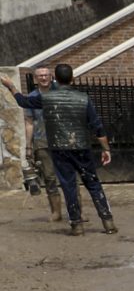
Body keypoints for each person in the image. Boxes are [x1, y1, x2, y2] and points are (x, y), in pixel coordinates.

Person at [3, 62, 116, 235]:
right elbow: (97, 126)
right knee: (93, 183)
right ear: (72, 78)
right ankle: (108, 222)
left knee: (68, 185)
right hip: (81, 147)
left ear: (55, 78)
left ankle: (77, 225)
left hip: (59, 148)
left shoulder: (46, 98)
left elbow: (23, 101)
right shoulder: (83, 98)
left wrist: (11, 86)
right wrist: (106, 149)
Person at [20, 66, 64, 224]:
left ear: (51, 76)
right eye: (40, 76)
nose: (43, 78)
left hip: (63, 140)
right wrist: (28, 146)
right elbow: (29, 123)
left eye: (46, 75)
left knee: (69, 176)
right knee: (50, 178)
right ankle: (56, 212)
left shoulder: (60, 92)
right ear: (35, 79)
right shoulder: (31, 97)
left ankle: (76, 210)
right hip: (42, 141)